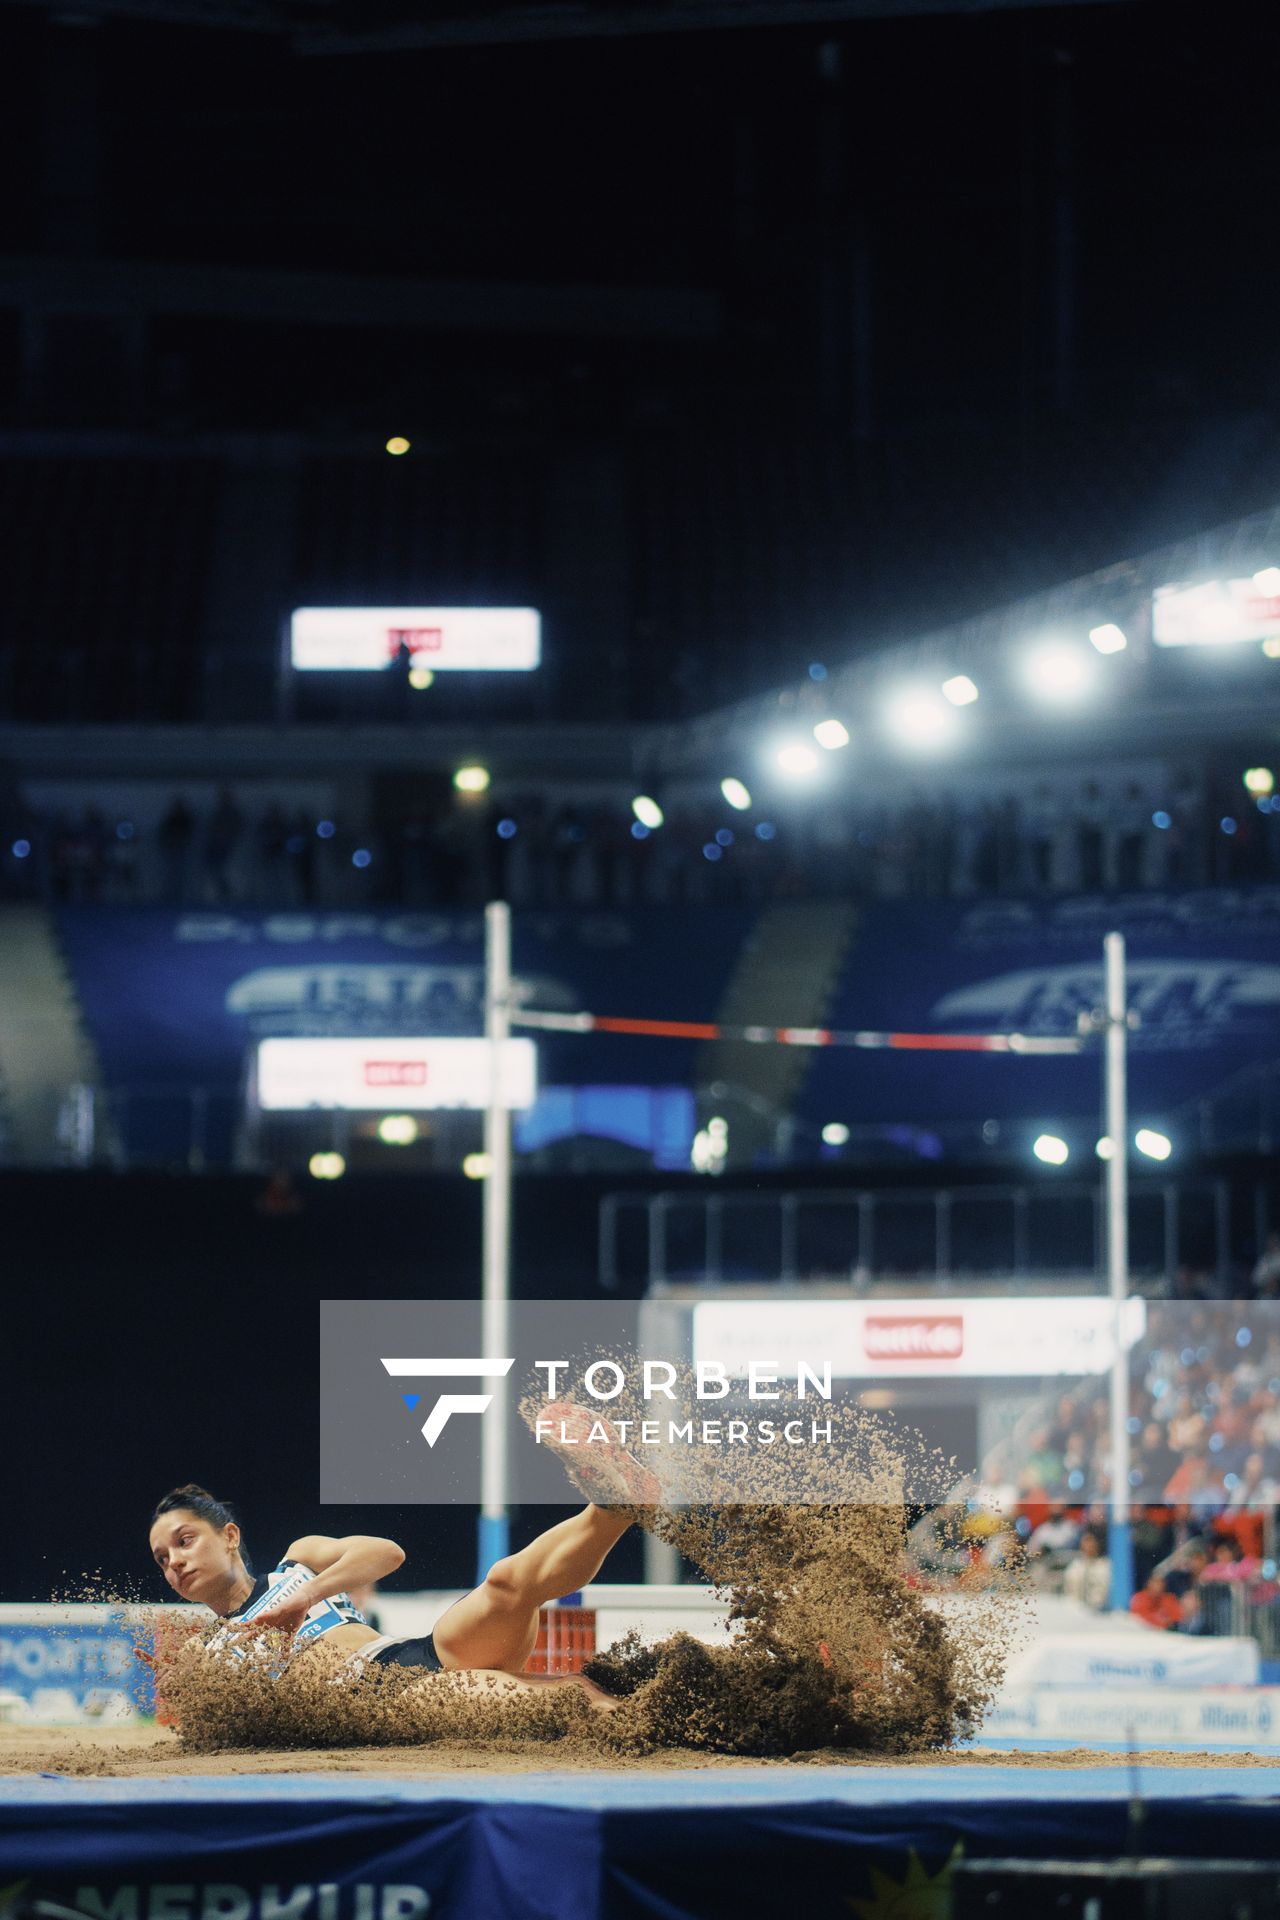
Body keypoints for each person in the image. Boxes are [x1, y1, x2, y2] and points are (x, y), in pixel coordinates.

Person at [147, 1424, 656, 1712]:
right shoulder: (205, 1649)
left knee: (506, 1581)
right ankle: (659, 1719)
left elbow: (387, 1554)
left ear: (229, 1536)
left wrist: (304, 1597)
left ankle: (613, 1508)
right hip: (386, 1703)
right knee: (563, 1698)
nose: (176, 1562)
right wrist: (185, 1683)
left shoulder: (296, 1563)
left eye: (185, 1541)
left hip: (405, 1656)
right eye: (163, 1558)